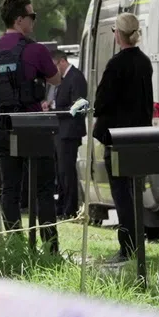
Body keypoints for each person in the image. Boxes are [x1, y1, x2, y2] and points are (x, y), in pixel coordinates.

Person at [0, 0, 61, 251]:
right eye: (32, 16)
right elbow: (56, 79)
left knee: (9, 189)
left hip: (1, 126)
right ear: (19, 19)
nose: (34, 20)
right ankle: (49, 248)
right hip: (32, 126)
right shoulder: (35, 49)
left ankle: (14, 246)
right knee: (44, 190)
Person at [92, 12, 154, 263]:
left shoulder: (116, 64)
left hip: (117, 138)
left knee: (121, 195)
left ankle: (127, 247)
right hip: (140, 137)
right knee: (134, 193)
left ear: (118, 34)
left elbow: (102, 101)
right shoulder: (144, 62)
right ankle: (139, 244)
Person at [51, 46, 88, 220]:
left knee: (67, 171)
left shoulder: (76, 77)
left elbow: (79, 105)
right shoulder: (64, 78)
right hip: (61, 131)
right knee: (61, 171)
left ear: (63, 61)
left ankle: (70, 208)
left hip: (70, 131)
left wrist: (56, 110)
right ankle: (62, 205)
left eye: (55, 65)